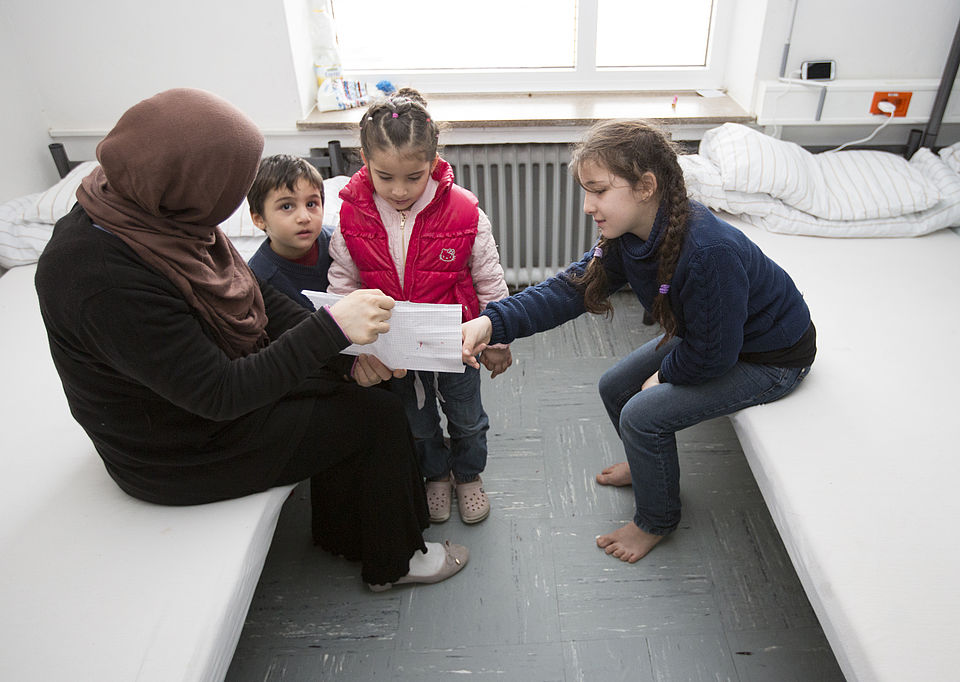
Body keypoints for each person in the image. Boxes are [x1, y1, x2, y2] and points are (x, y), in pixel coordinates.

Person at [34, 88, 468, 591]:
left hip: (197, 391)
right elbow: (220, 394)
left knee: (363, 387)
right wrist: (331, 332)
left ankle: (346, 534)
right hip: (176, 447)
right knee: (376, 418)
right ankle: (393, 562)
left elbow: (254, 295)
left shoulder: (145, 209)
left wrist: (345, 355)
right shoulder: (100, 277)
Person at [462, 119, 816, 563]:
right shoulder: (628, 237)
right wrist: (491, 324)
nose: (588, 206)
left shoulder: (709, 253)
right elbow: (565, 290)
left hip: (771, 357)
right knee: (615, 386)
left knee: (643, 414)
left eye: (599, 190)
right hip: (711, 334)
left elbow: (714, 355)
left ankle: (656, 520)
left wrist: (664, 374)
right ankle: (648, 463)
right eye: (585, 191)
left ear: (646, 185)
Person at [328, 88, 511, 525]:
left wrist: (498, 336)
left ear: (433, 161)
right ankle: (435, 476)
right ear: (364, 160)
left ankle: (467, 474)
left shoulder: (465, 212)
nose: (399, 190)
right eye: (385, 176)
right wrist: (355, 349)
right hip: (394, 347)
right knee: (418, 421)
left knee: (467, 418)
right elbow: (342, 288)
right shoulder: (350, 217)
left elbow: (489, 278)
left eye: (414, 176)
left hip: (458, 341)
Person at [247, 154, 333, 309]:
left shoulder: (343, 243)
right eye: (287, 206)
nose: (304, 217)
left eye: (311, 204)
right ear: (259, 219)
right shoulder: (259, 278)